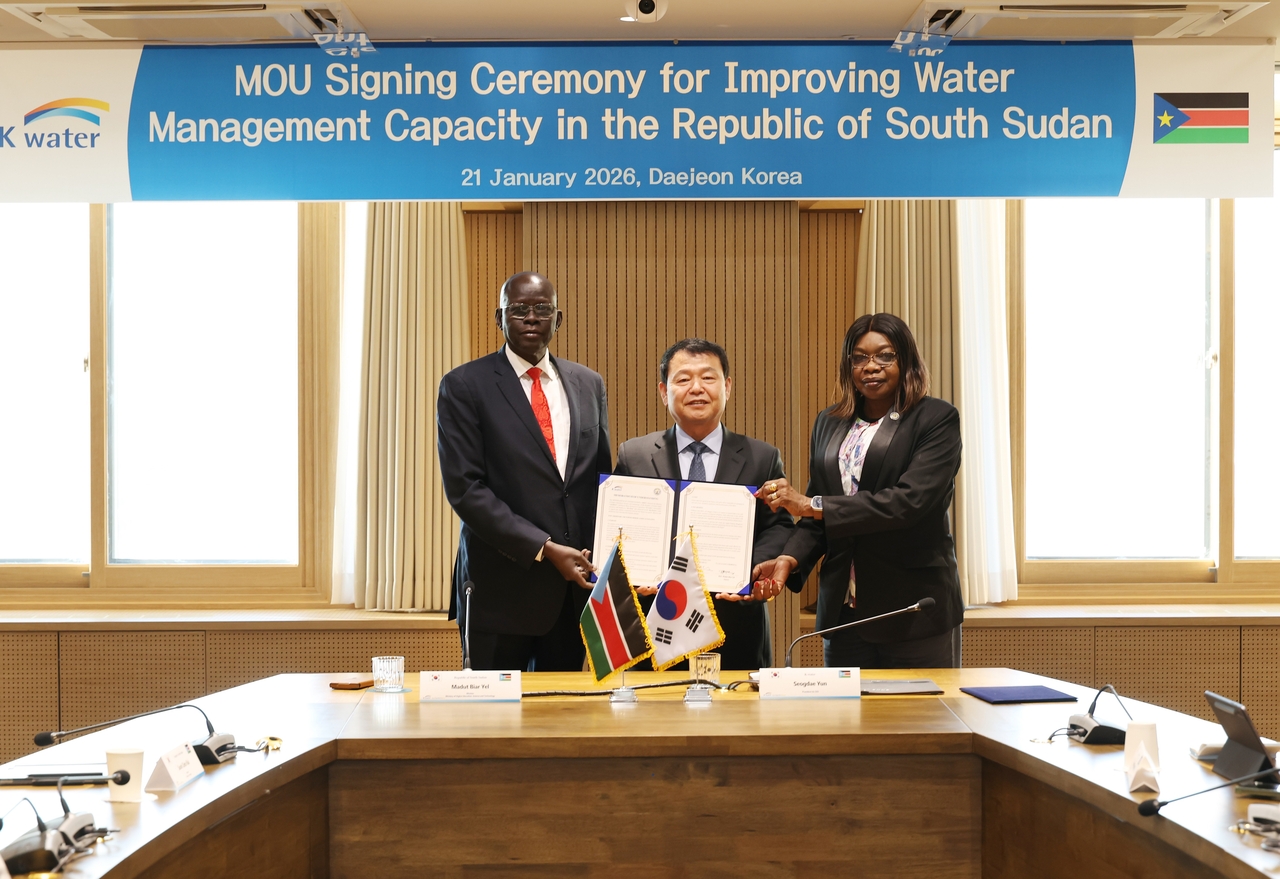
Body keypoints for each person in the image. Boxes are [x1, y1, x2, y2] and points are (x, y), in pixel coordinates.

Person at [753, 313, 964, 668]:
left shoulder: (935, 419)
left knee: (920, 722)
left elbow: (908, 503)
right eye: (859, 357)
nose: (871, 366)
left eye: (885, 356)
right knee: (845, 721)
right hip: (845, 613)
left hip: (912, 611)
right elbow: (817, 516)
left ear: (906, 360)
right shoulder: (830, 422)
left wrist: (811, 504)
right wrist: (790, 559)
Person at [437, 271, 611, 671]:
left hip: (573, 592)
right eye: (518, 310)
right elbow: (467, 490)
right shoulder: (464, 386)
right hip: (501, 587)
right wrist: (545, 549)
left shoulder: (589, 384)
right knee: (493, 723)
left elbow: (599, 481)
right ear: (499, 319)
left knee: (562, 718)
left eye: (542, 309)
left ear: (558, 319)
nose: (531, 318)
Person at [615, 338, 794, 669]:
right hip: (656, 623)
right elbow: (619, 528)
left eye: (708, 378)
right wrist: (632, 568)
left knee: (736, 719)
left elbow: (779, 525)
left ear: (727, 387)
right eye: (683, 379)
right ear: (664, 391)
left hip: (734, 623)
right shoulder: (634, 455)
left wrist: (747, 570)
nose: (696, 388)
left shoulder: (761, 457)